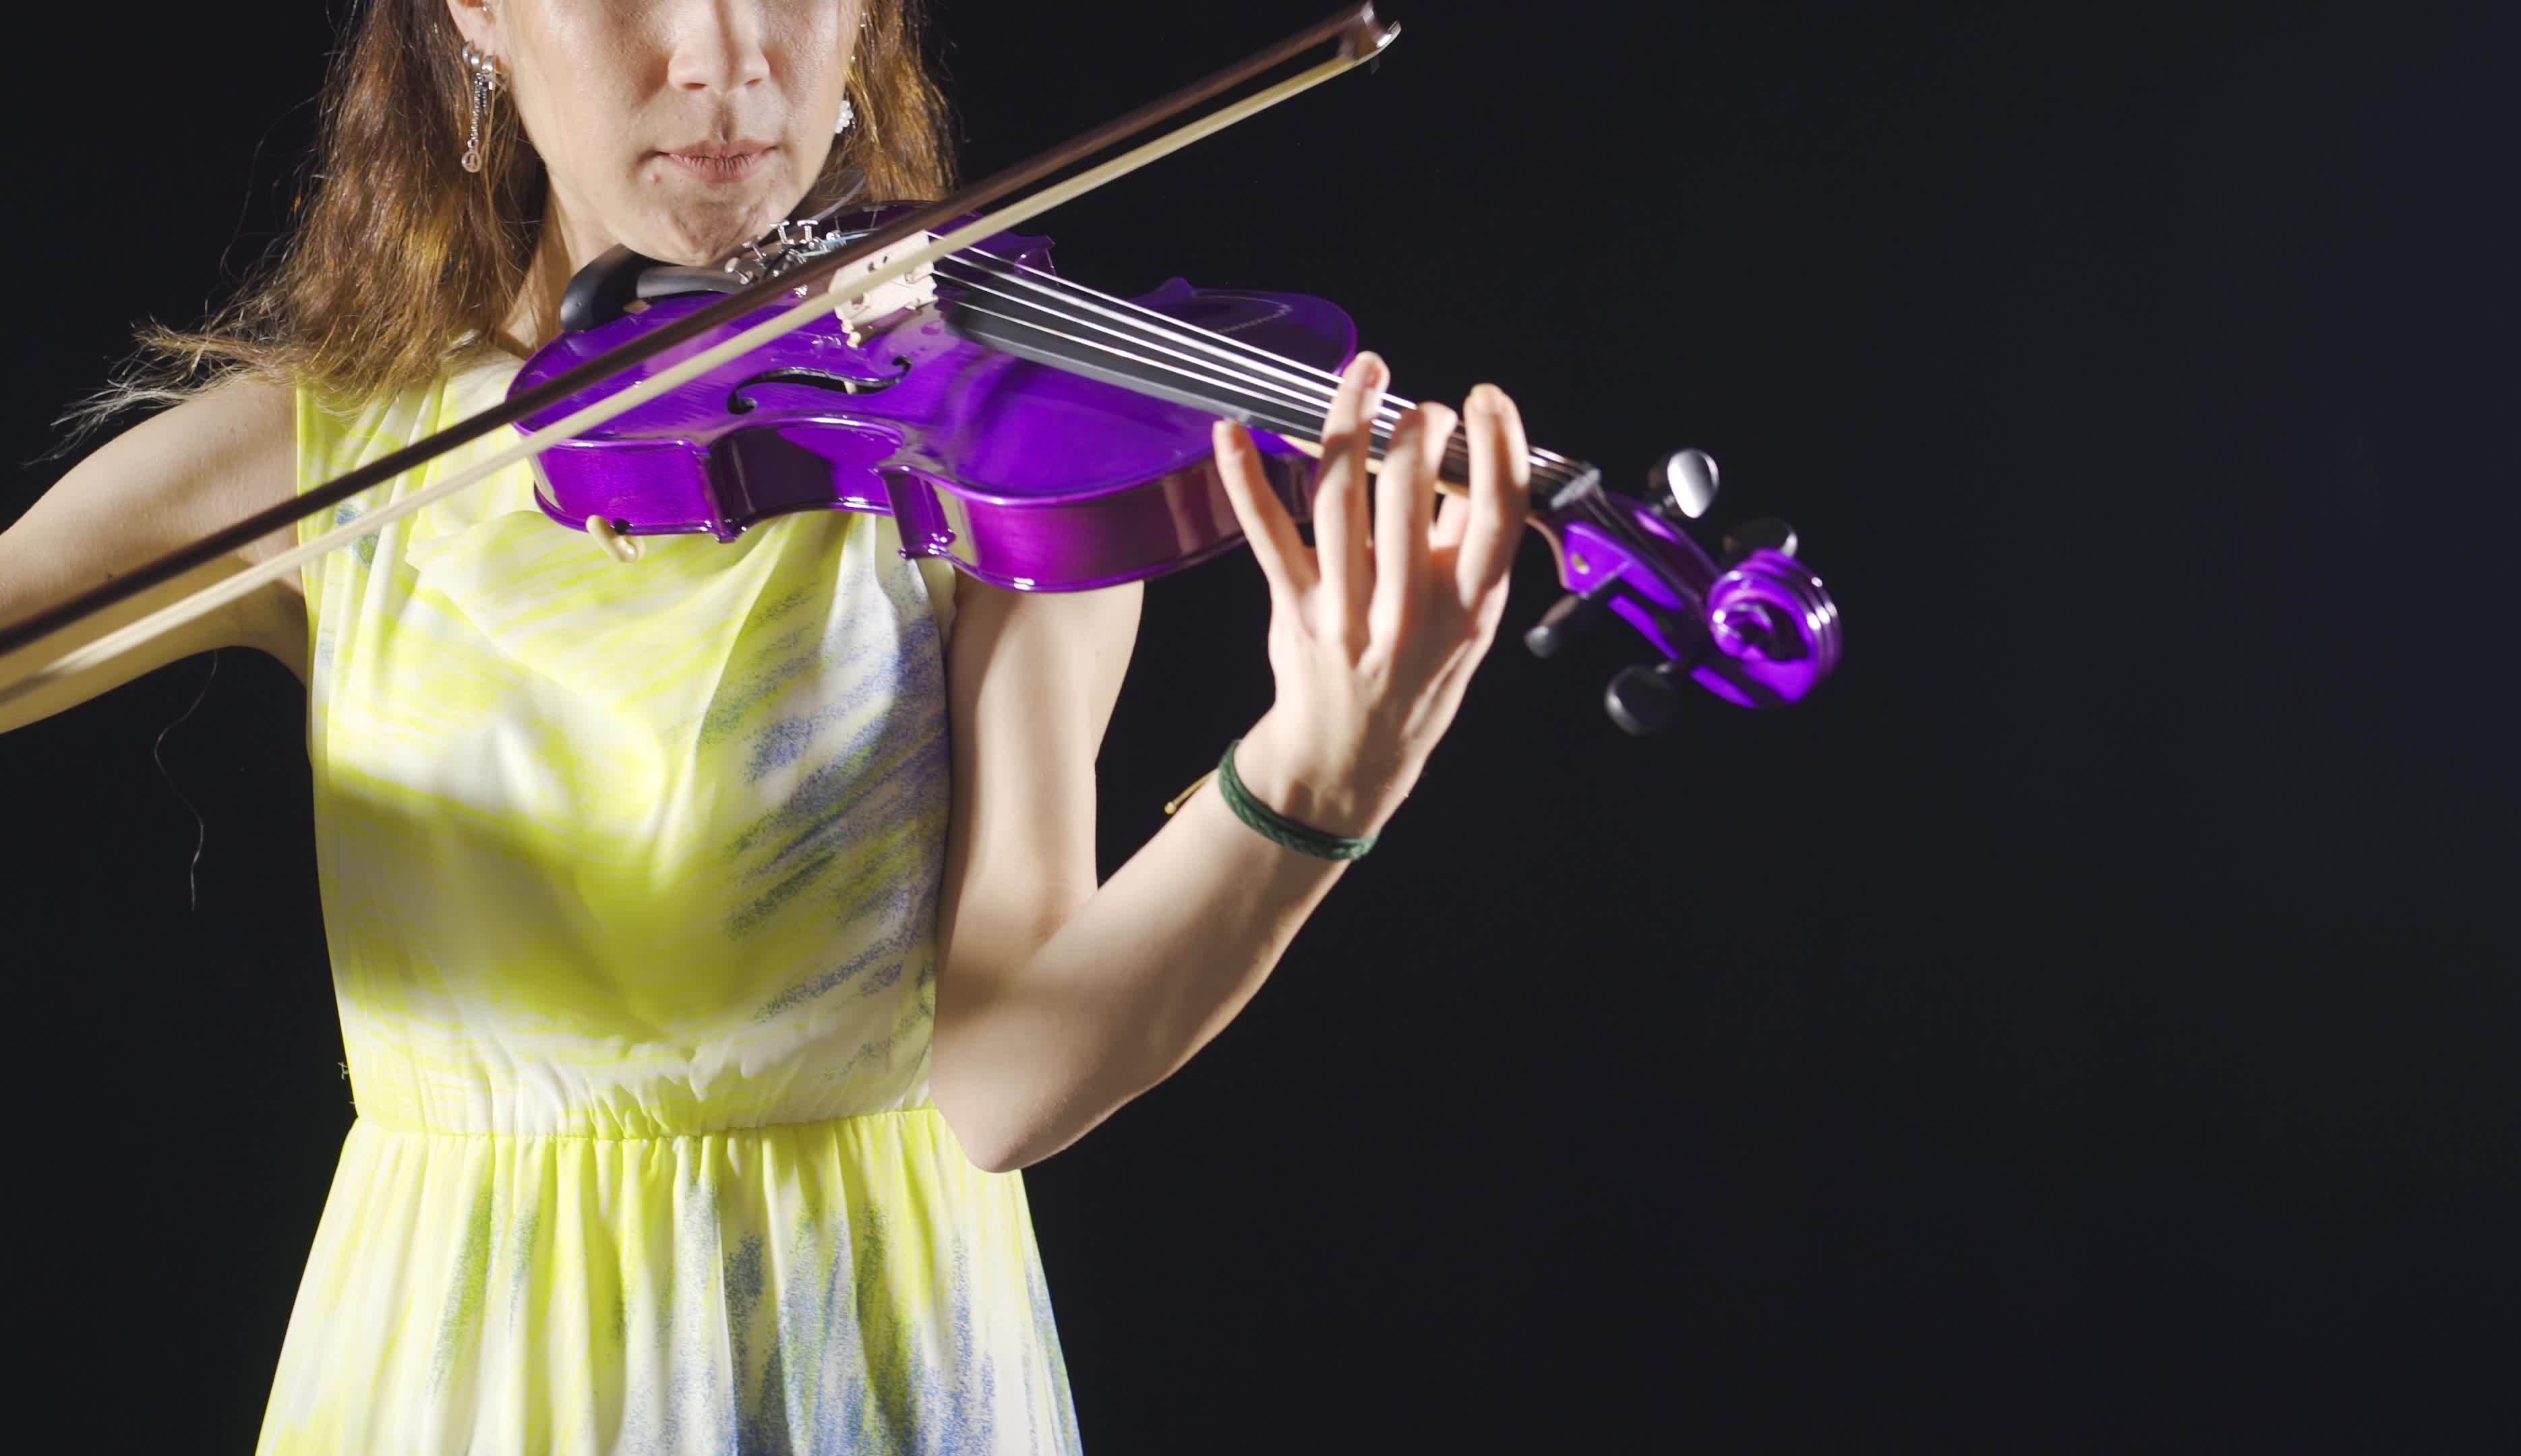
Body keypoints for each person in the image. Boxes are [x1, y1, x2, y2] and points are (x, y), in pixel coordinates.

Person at [0, 1, 1531, 1450]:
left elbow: (1004, 1084)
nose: (727, 58)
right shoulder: (322, 462)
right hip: (459, 1369)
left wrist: (1312, 782)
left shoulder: (994, 449)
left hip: (861, 1355)